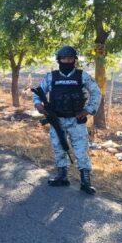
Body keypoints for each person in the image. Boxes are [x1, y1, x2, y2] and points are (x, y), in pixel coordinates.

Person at [33, 46, 101, 195]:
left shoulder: (82, 76)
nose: (67, 61)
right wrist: (38, 104)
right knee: (58, 148)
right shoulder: (51, 77)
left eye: (70, 58)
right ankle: (62, 176)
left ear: (74, 60)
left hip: (76, 120)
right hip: (57, 120)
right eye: (64, 59)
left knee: (81, 150)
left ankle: (85, 182)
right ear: (59, 60)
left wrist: (88, 110)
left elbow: (96, 93)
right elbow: (38, 92)